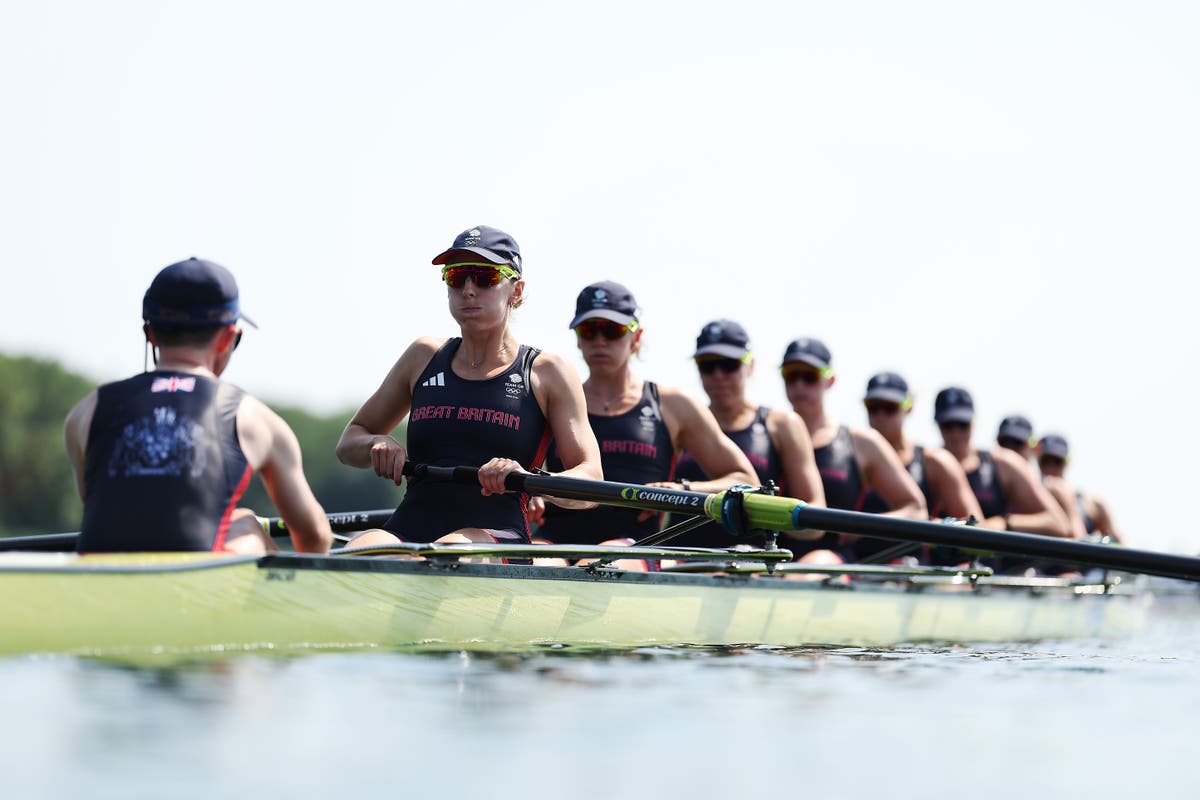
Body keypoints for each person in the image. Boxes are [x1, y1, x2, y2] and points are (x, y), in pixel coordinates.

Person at [335, 226, 603, 547]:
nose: (469, 289)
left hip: (495, 533)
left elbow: (591, 481)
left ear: (516, 291)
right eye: (457, 276)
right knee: (357, 552)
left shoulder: (548, 372)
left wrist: (531, 481)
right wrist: (376, 444)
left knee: (449, 550)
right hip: (410, 524)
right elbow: (349, 443)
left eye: (484, 277)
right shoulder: (422, 356)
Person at [63, 257, 332, 555]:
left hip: (100, 588)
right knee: (247, 525)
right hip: (195, 592)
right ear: (227, 339)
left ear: (149, 334)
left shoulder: (85, 412)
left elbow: (117, 513)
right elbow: (316, 536)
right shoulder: (254, 418)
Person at [531, 283, 758, 552]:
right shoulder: (551, 398)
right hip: (556, 540)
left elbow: (747, 481)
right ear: (578, 338)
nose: (600, 340)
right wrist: (533, 492)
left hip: (635, 545)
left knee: (601, 562)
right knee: (525, 563)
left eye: (612, 330)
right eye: (589, 330)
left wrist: (682, 489)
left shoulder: (674, 405)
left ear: (636, 337)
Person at [671, 320, 826, 548]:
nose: (718, 375)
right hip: (680, 561)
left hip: (751, 565)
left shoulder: (782, 424)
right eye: (708, 365)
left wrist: (760, 517)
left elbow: (815, 521)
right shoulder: (681, 421)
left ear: (750, 366)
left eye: (729, 365)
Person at [781, 339, 926, 563]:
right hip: (768, 558)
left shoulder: (862, 443)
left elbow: (915, 509)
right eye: (791, 375)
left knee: (811, 568)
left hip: (830, 562)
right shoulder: (769, 431)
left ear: (830, 380)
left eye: (809, 376)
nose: (799, 385)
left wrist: (863, 526)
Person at [933, 387, 1072, 549]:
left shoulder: (1004, 464)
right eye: (948, 425)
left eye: (962, 424)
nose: (956, 433)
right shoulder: (929, 463)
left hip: (989, 570)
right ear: (937, 423)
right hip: (928, 571)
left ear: (974, 422)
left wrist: (1003, 523)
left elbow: (1058, 523)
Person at [859, 372, 984, 543]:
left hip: (914, 565)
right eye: (873, 407)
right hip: (851, 564)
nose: (881, 416)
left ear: (909, 407)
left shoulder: (935, 462)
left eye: (890, 407)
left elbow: (977, 528)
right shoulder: (849, 455)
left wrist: (931, 524)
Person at [996, 418, 1088, 539]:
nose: (1050, 467)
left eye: (1057, 462)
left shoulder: (1085, 501)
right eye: (1005, 443)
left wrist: (1005, 523)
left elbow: (1078, 540)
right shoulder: (990, 481)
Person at [1037, 434, 1124, 544]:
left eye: (1057, 462)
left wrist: (1067, 502)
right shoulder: (1029, 497)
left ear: (1066, 463)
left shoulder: (1092, 502)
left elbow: (1120, 544)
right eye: (1045, 461)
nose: (1050, 467)